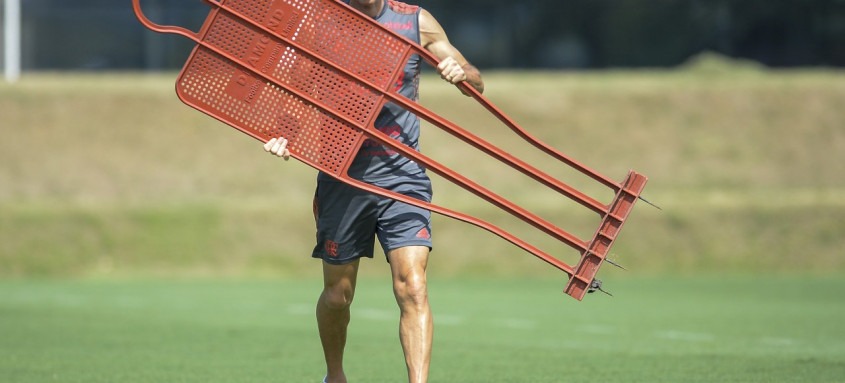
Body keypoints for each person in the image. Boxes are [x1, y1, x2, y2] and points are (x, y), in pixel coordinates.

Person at [264, 1, 483, 382]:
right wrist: (284, 133)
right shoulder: (320, 26)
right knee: (338, 295)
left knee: (412, 286)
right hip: (342, 177)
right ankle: (335, 375)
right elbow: (296, 93)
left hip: (403, 176)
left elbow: (475, 81)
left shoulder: (415, 21)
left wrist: (461, 72)